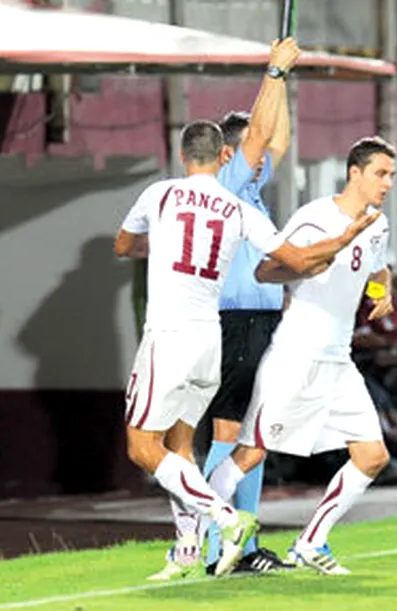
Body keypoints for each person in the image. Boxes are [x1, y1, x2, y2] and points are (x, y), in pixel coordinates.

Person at [115, 121, 371, 579]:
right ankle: (188, 549)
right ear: (224, 157)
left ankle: (226, 518)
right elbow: (297, 261)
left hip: (168, 334)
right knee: (180, 446)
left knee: (141, 446)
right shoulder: (238, 210)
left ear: (181, 154)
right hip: (210, 339)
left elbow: (124, 244)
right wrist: (344, 238)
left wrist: (162, 245)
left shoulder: (160, 195)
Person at [204, 136, 397, 576]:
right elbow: (266, 269)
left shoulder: (376, 223)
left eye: (391, 175)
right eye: (380, 173)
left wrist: (380, 291)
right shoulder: (315, 218)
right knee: (250, 454)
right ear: (355, 172)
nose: (387, 183)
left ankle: (311, 543)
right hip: (296, 356)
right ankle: (201, 539)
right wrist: (314, 260)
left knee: (372, 455)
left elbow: (378, 266)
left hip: (337, 360)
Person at [160, 37, 299, 575]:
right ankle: (223, 546)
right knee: (231, 432)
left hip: (255, 323)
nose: (263, 158)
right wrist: (275, 73)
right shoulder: (231, 183)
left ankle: (238, 542)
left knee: (249, 436)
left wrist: (283, 85)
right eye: (251, 152)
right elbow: (263, 135)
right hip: (238, 323)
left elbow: (276, 136)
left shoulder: (252, 188)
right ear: (229, 155)